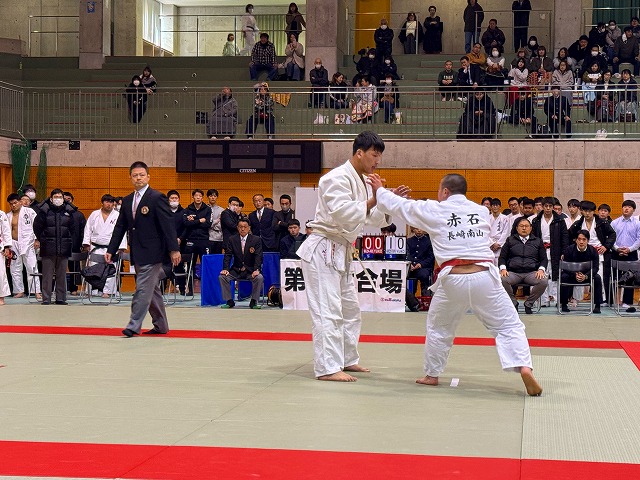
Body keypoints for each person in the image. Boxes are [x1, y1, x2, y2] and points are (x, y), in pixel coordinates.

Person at [369, 173, 542, 396]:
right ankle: (524, 366)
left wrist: (379, 190)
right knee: (508, 326)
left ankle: (432, 375)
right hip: (484, 276)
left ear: (445, 191)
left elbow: (401, 207)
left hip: (453, 278)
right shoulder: (481, 211)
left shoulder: (435, 210)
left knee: (439, 328)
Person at [296, 131, 393, 382]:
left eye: (380, 156)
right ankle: (328, 368)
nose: (378, 161)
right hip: (323, 249)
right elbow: (342, 212)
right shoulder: (334, 178)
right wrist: (373, 200)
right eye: (374, 155)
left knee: (350, 311)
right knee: (328, 311)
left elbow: (372, 219)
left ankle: (347, 358)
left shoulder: (363, 181)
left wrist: (387, 202)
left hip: (342, 251)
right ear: (359, 153)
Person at [105, 161, 180, 337]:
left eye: (141, 175)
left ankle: (133, 325)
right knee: (151, 290)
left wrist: (174, 249)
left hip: (154, 253)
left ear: (148, 177)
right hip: (137, 252)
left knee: (142, 289)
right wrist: (111, 249)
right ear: (130, 178)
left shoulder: (157, 197)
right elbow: (120, 227)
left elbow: (168, 225)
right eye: (135, 175)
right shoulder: (127, 200)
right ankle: (161, 325)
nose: (138, 178)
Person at [33, 189, 76, 305]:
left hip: (64, 247)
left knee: (62, 275)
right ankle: (46, 299)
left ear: (63, 199)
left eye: (60, 197)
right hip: (48, 247)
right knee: (47, 275)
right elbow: (37, 227)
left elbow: (73, 229)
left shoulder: (68, 211)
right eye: (55, 197)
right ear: (51, 199)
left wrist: (67, 239)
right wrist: (43, 239)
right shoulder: (44, 211)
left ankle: (61, 298)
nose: (58, 199)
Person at [499, 217, 548, 314]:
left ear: (531, 228)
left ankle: (529, 303)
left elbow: (544, 259)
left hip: (531, 273)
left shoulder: (537, 241)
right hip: (513, 273)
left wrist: (541, 270)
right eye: (521, 226)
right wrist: (503, 269)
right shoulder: (510, 240)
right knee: (501, 279)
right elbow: (502, 257)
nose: (524, 228)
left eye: (526, 226)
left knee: (543, 281)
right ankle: (513, 303)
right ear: (517, 228)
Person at [82, 194, 126, 297]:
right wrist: (86, 243)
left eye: (111, 202)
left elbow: (122, 231)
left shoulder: (117, 215)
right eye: (107, 202)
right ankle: (93, 290)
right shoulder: (94, 214)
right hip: (95, 247)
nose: (109, 204)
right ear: (102, 203)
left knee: (110, 270)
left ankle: (107, 291)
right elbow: (88, 229)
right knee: (93, 269)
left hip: (111, 248)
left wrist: (121, 247)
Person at [219, 218, 264, 310]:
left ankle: (254, 301)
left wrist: (257, 270)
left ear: (249, 228)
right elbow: (228, 255)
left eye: (245, 227)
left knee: (259, 277)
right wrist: (225, 269)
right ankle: (229, 301)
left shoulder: (256, 240)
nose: (242, 229)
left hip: (250, 270)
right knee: (222, 277)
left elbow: (258, 256)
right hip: (236, 270)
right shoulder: (232, 239)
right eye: (240, 227)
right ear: (237, 228)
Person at [6, 193, 40, 299]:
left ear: (20, 202)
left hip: (28, 242)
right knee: (15, 268)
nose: (13, 205)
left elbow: (37, 226)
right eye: (11, 204)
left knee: (32, 266)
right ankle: (19, 290)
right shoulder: (8, 216)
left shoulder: (29, 212)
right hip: (13, 243)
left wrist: (37, 239)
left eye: (15, 203)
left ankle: (36, 291)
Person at [559, 230, 602, 314]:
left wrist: (585, 276)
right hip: (572, 275)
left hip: (586, 276)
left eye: (584, 239)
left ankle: (597, 305)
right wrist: (575, 274)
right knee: (564, 277)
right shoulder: (569, 250)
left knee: (597, 278)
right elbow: (566, 267)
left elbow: (595, 268)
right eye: (579, 239)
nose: (581, 242)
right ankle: (564, 304)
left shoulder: (593, 251)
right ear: (576, 240)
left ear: (588, 241)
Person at [182, 189, 212, 296]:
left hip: (204, 240)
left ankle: (207, 290)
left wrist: (194, 221)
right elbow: (186, 224)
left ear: (202, 198)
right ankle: (190, 289)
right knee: (191, 265)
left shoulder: (207, 209)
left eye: (200, 196)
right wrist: (199, 220)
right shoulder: (187, 209)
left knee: (206, 265)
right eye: (196, 196)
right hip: (191, 240)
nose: (198, 197)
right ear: (193, 197)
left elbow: (208, 224)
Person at [406, 227, 434, 296]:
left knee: (424, 275)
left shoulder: (429, 242)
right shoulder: (409, 241)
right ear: (413, 229)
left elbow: (430, 257)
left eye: (421, 228)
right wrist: (410, 264)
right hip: (411, 267)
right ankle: (410, 298)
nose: (419, 230)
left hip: (423, 267)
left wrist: (421, 264)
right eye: (416, 228)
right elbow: (407, 254)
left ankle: (425, 298)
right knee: (406, 275)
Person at [207, 189, 225, 255]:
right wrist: (216, 221)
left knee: (217, 257)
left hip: (219, 238)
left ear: (217, 197)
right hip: (208, 237)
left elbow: (222, 225)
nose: (213, 197)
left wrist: (211, 225)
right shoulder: (204, 209)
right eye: (211, 196)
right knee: (209, 257)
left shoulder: (222, 210)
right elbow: (205, 224)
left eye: (214, 196)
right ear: (208, 197)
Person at [0, 209, 12, 304]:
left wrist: (7, 246)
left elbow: (6, 230)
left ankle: (1, 296)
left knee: (1, 272)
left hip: (0, 246)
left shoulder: (1, 214)